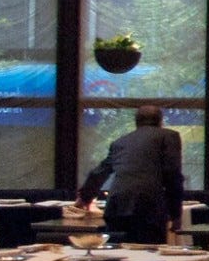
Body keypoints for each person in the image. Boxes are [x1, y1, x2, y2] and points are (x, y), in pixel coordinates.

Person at [79, 104, 184, 245]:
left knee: (117, 258)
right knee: (149, 258)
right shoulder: (169, 136)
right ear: (160, 121)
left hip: (116, 206)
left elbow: (100, 172)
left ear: (136, 122)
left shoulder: (120, 142)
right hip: (149, 208)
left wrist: (85, 197)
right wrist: (176, 213)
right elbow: (172, 174)